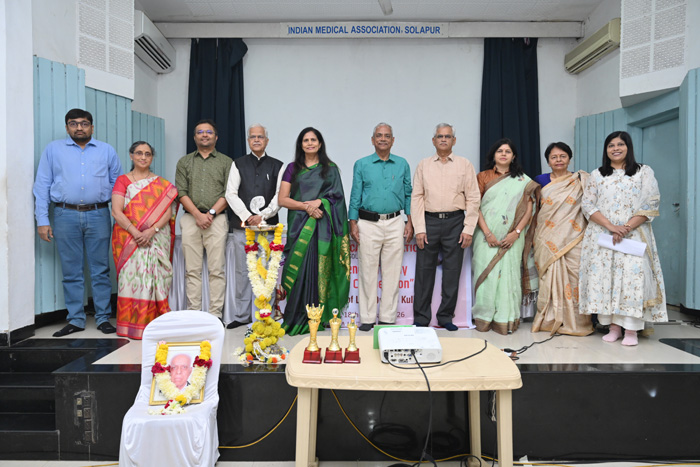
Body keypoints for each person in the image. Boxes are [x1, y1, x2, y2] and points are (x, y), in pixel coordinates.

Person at [33, 108, 122, 337]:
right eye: (73, 123)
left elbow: (119, 187)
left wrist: (121, 218)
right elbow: (42, 185)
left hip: (98, 214)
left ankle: (103, 318)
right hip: (65, 215)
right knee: (71, 270)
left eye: (84, 123)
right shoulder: (53, 150)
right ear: (67, 127)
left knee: (101, 269)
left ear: (92, 126)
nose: (79, 128)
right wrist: (42, 220)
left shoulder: (106, 151)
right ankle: (75, 319)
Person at [579, 131, 667, 346]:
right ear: (606, 150)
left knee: (631, 280)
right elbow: (588, 204)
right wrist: (611, 227)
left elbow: (650, 203)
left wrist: (626, 228)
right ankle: (613, 327)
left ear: (628, 147)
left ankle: (631, 330)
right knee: (606, 279)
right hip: (604, 236)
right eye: (611, 145)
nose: (615, 148)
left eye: (620, 144)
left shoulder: (643, 172)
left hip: (633, 235)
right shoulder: (597, 174)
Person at [278, 127, 350, 336]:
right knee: (300, 271)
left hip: (323, 229)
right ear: (301, 145)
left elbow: (337, 198)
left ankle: (319, 317)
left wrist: (320, 202)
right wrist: (307, 207)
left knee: (320, 271)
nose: (310, 143)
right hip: (300, 227)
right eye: (306, 140)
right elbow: (282, 199)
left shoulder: (330, 169)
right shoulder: (292, 168)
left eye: (313, 140)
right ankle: (297, 317)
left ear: (320, 144)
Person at [411, 123, 480, 331]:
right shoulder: (424, 165)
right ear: (433, 140)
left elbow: (473, 198)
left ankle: (445, 317)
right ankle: (421, 317)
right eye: (440, 136)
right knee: (424, 271)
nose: (443, 139)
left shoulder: (464, 165)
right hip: (429, 222)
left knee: (452, 271)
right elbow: (417, 197)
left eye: (447, 136)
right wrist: (419, 228)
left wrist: (468, 228)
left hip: (455, 222)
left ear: (454, 141)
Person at [348, 123, 413, 332]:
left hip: (395, 222)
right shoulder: (362, 164)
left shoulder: (402, 164)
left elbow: (409, 194)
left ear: (393, 140)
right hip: (368, 223)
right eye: (379, 135)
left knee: (392, 273)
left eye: (387, 136)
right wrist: (352, 222)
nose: (383, 139)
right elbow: (355, 194)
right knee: (367, 272)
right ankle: (367, 318)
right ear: (373, 140)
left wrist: (410, 221)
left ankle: (387, 318)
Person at [111, 142, 178, 339]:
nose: (143, 157)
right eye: (139, 153)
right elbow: (116, 211)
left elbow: (167, 213)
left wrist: (151, 231)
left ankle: (156, 323)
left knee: (157, 277)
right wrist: (136, 232)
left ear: (152, 157)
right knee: (130, 280)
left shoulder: (162, 184)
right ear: (131, 156)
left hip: (155, 237)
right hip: (128, 239)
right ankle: (131, 324)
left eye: (147, 154)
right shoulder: (122, 181)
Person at [472, 138, 539, 334]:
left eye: (507, 151)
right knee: (486, 275)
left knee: (509, 276)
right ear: (493, 155)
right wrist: (488, 233)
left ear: (513, 156)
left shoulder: (523, 181)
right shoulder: (482, 177)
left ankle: (505, 319)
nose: (503, 154)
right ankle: (484, 318)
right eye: (499, 151)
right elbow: (475, 207)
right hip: (485, 236)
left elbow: (529, 209)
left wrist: (515, 234)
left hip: (513, 239)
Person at [531, 142, 593, 336]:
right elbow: (535, 209)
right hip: (547, 236)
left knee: (575, 278)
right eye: (554, 157)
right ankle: (549, 320)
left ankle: (578, 323)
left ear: (569, 158)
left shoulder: (581, 180)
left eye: (562, 156)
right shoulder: (540, 180)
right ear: (548, 161)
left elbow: (590, 208)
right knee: (549, 278)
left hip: (575, 238)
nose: (558, 160)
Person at [225, 124, 284, 329]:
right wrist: (248, 216)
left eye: (260, 137)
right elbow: (230, 193)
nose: (256, 140)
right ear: (248, 140)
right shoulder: (238, 164)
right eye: (252, 137)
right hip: (243, 228)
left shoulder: (278, 166)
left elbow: (280, 195)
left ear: (267, 140)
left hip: (268, 228)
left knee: (267, 273)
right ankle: (241, 316)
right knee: (243, 272)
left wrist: (263, 215)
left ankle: (266, 316)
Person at [175, 119, 233, 323]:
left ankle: (215, 316)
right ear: (194, 137)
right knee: (192, 271)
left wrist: (211, 213)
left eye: (209, 132)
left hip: (217, 219)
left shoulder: (226, 162)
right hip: (190, 219)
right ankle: (194, 315)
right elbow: (181, 192)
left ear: (216, 137)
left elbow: (229, 192)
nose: (205, 135)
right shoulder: (184, 162)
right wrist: (198, 215)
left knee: (216, 270)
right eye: (200, 132)